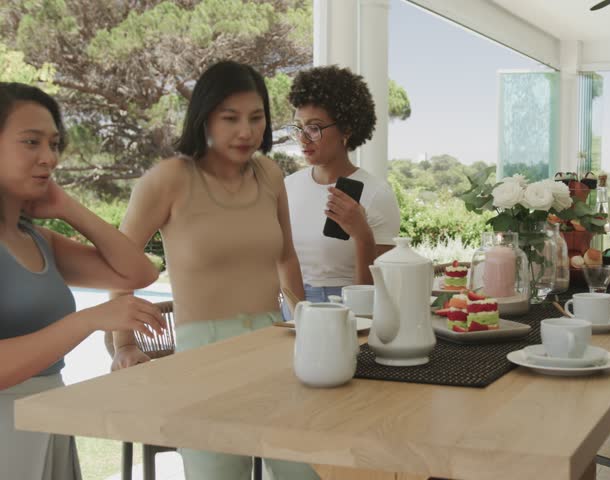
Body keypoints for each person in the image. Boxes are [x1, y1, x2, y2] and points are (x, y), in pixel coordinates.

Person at [108, 61, 316, 479]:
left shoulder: (270, 175)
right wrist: (124, 344)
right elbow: (118, 264)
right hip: (202, 362)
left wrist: (308, 324)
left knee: (307, 472)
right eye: (230, 118)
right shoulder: (169, 179)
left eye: (256, 117)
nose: (246, 131)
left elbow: (286, 257)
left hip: (273, 348)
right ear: (204, 117)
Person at [0, 82, 162, 479]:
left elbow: (138, 272)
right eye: (31, 142)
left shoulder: (36, 238)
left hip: (46, 420)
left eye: (54, 144)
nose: (49, 157)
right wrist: (88, 320)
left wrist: (67, 207)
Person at [284, 65, 401, 302]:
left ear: (346, 129)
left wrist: (362, 235)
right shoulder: (288, 187)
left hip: (349, 312)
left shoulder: (376, 194)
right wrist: (298, 313)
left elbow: (379, 292)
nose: (302, 139)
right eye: (298, 127)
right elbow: (281, 262)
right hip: (291, 308)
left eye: (314, 128)